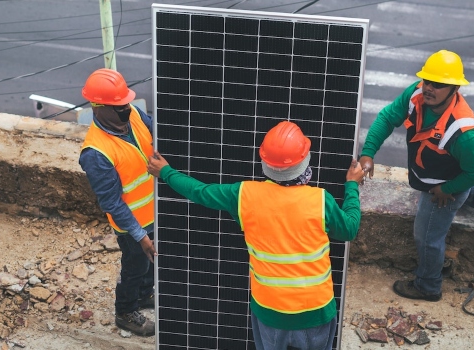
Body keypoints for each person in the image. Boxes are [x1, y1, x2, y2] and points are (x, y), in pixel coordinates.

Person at [147, 121, 365, 350]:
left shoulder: (243, 195)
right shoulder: (321, 200)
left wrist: (166, 172)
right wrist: (352, 185)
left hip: (269, 312)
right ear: (305, 161)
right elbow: (349, 228)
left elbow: (200, 192)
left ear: (265, 162)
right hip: (316, 312)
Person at [358, 50, 474, 302]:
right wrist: (368, 153)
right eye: (427, 81)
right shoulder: (416, 94)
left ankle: (428, 285)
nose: (429, 88)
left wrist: (448, 189)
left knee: (428, 235)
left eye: (438, 84)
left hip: (443, 186)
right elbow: (387, 117)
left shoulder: (463, 131)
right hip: (432, 175)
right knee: (454, 199)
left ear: (454, 88)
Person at [78, 68, 156, 336]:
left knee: (148, 264)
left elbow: (151, 128)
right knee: (135, 267)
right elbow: (111, 202)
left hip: (153, 212)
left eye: (126, 103)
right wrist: (140, 235)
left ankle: (145, 295)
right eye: (119, 106)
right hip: (131, 224)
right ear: (98, 108)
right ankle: (125, 312)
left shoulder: (131, 113)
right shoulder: (96, 153)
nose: (127, 109)